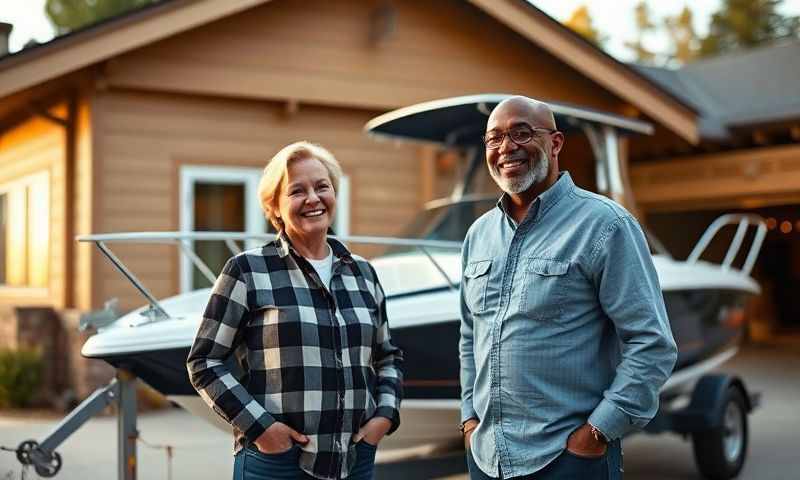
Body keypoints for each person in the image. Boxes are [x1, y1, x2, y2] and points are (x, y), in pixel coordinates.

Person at [458, 96, 678, 480]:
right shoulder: (478, 235)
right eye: (494, 138)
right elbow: (468, 336)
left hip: (568, 461)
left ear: (556, 143)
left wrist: (597, 432)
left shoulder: (606, 225)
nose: (506, 147)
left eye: (521, 133)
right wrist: (469, 422)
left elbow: (651, 343)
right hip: (487, 458)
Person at [187, 141, 403, 480]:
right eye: (297, 191)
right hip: (277, 464)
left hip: (354, 461)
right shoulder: (246, 270)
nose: (313, 199)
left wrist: (384, 417)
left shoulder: (363, 273)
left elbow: (387, 357)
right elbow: (204, 362)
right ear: (274, 207)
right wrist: (261, 430)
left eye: (322, 187)